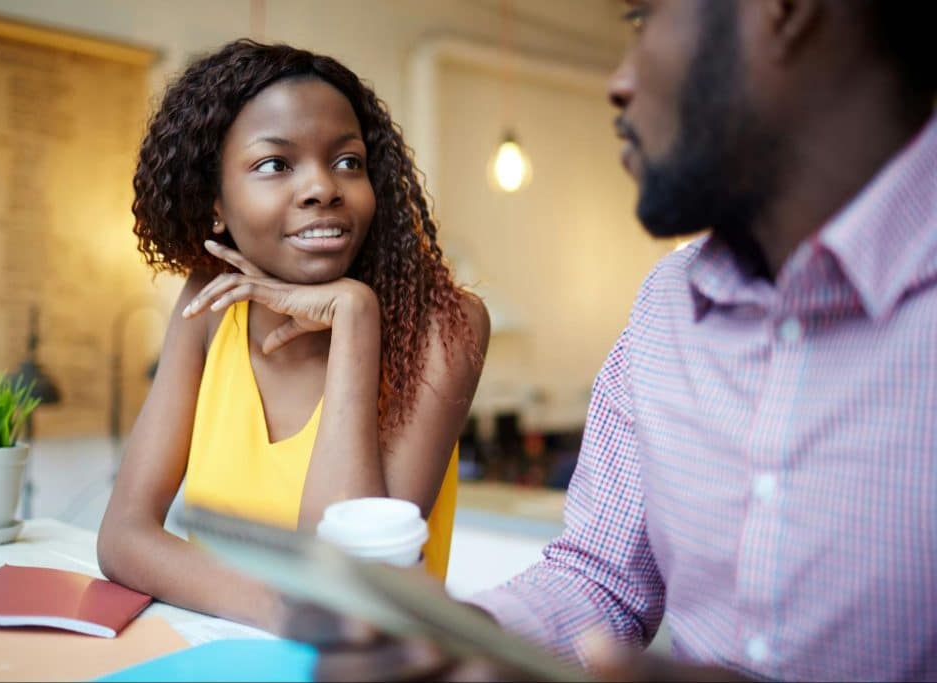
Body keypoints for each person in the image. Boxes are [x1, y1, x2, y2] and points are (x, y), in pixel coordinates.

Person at [286, 0, 937, 680]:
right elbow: (600, 581)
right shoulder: (668, 307)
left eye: (641, 20)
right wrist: (464, 638)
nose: (618, 81)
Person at [96, 40, 490, 630]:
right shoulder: (209, 305)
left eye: (348, 161)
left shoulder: (444, 325)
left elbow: (348, 581)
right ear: (215, 205)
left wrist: (356, 317)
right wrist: (286, 606)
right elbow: (123, 536)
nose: (323, 188)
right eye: (276, 165)